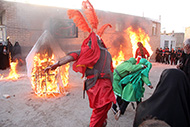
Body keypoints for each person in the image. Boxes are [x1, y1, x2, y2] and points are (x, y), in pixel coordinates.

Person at [45, 32, 116, 127]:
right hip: (101, 86)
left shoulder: (88, 52)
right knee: (101, 108)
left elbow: (70, 57)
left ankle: (101, 123)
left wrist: (56, 64)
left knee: (102, 108)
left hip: (98, 86)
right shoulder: (106, 54)